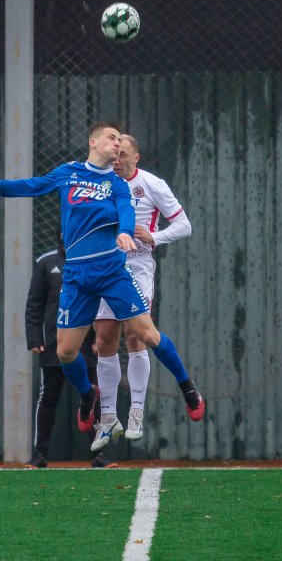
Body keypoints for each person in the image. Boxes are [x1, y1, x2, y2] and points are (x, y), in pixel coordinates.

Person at [0, 121, 204, 442]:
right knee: (65, 352)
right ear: (93, 142)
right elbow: (32, 185)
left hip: (112, 272)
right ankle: (88, 396)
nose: (117, 142)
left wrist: (125, 231)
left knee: (145, 334)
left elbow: (126, 211)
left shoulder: (118, 184)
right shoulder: (68, 173)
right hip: (77, 275)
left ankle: (187, 386)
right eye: (112, 137)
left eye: (120, 139)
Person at [91, 134, 194, 451]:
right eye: (114, 154)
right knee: (104, 338)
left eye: (123, 154)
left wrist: (154, 237)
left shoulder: (151, 184)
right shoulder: (100, 182)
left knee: (136, 335)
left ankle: (136, 411)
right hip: (106, 266)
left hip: (137, 266)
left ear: (136, 157)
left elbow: (184, 225)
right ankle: (108, 417)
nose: (117, 159)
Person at [24, 234, 114, 468]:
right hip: (54, 347)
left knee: (93, 397)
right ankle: (40, 455)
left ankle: (98, 454)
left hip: (86, 347)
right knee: (48, 398)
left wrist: (99, 337)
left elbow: (101, 302)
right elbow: (35, 303)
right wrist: (34, 338)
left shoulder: (93, 260)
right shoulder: (46, 262)